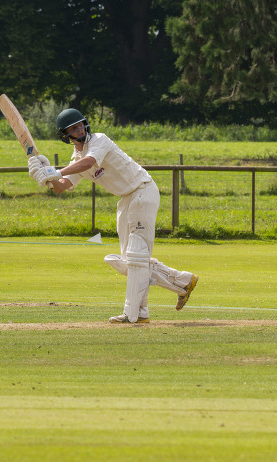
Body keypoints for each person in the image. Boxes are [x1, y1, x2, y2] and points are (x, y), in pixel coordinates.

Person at [27, 109, 198, 324]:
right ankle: (182, 282)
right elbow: (63, 187)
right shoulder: (75, 157)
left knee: (137, 256)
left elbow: (89, 162)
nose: (79, 129)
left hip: (142, 190)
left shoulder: (99, 140)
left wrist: (56, 172)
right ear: (65, 134)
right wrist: (44, 177)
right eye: (73, 128)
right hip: (126, 199)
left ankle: (133, 314)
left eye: (80, 124)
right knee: (129, 262)